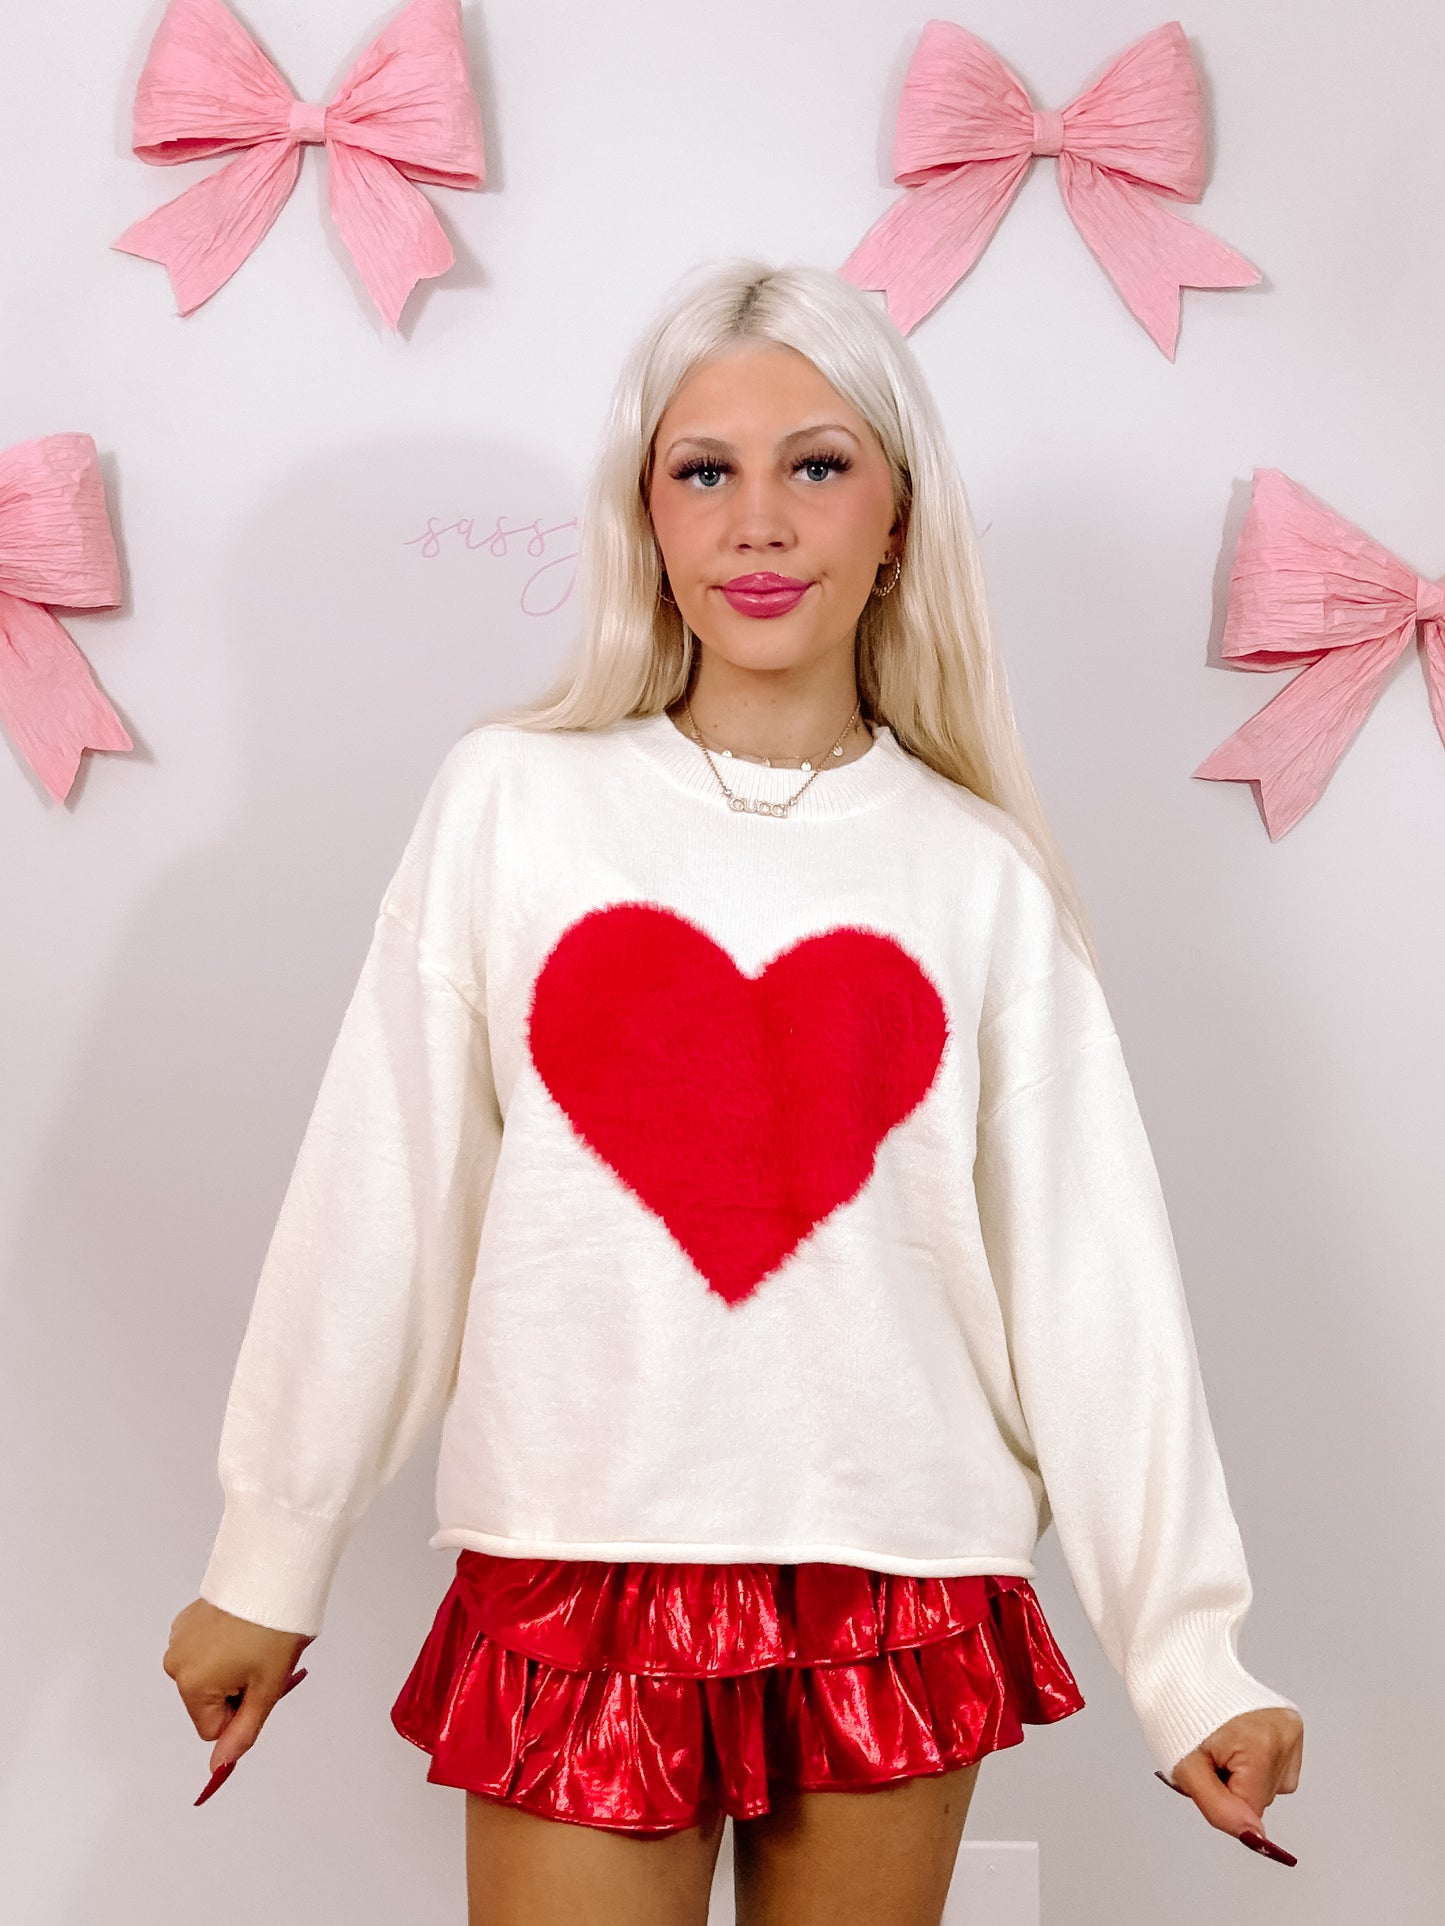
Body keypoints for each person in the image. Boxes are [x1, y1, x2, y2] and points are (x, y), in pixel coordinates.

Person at [162, 258, 1304, 1926]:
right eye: (706, 471)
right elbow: (384, 1190)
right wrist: (269, 1550)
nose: (758, 522)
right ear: (647, 514)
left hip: (896, 1579)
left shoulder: (975, 873)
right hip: (579, 1554)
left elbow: (1091, 1276)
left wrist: (1188, 1654)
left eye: (815, 464)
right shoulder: (510, 806)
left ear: (897, 515)